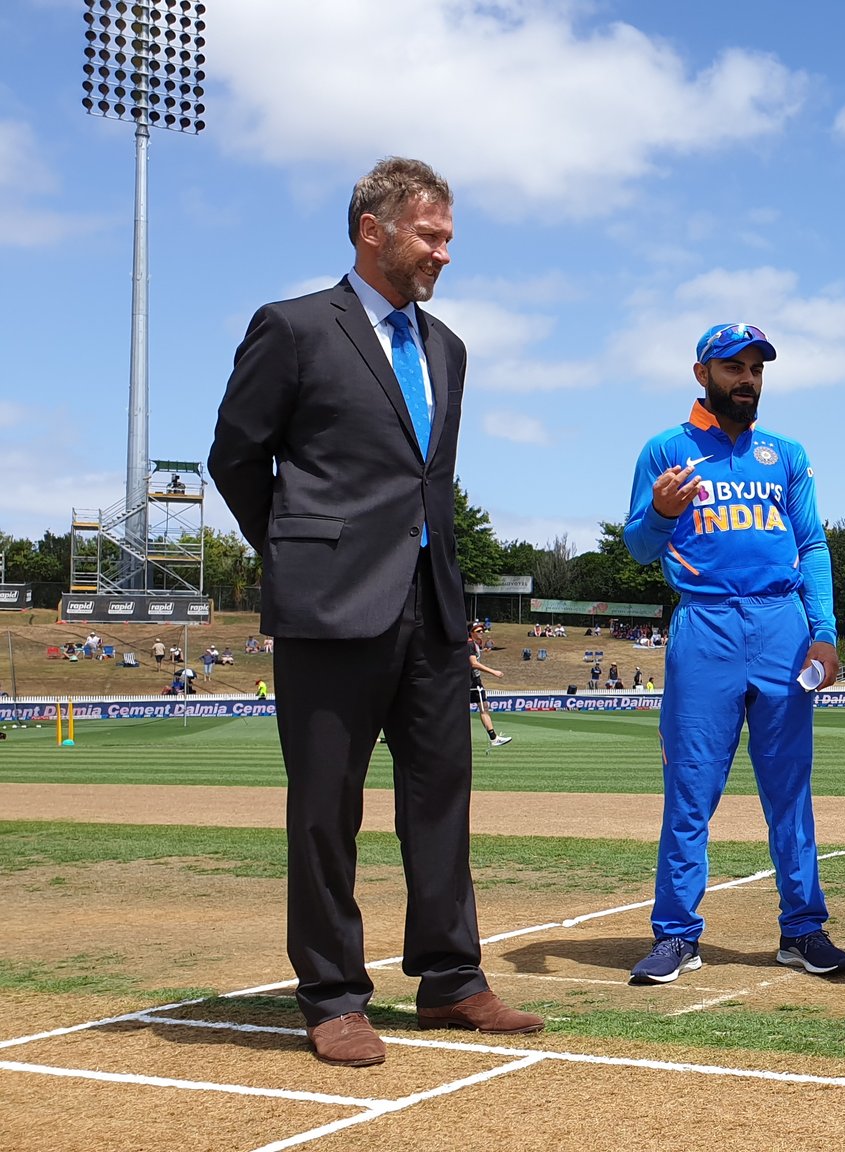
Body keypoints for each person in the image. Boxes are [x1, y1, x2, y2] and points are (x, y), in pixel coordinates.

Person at [206, 156, 542, 1069]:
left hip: (431, 612)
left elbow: (429, 482)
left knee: (441, 805)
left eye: (447, 238)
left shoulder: (448, 349)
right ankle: (332, 994)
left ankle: (450, 979)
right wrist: (299, 551)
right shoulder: (294, 327)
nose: (444, 253)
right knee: (326, 809)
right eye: (431, 236)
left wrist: (453, 602)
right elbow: (235, 457)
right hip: (329, 609)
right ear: (373, 229)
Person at [621, 322, 845, 986]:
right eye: (733, 367)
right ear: (703, 375)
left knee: (790, 792)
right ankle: (676, 936)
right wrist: (661, 512)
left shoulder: (787, 455)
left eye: (756, 368)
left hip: (782, 626)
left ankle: (803, 929)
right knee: (690, 791)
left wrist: (825, 631)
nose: (747, 379)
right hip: (706, 625)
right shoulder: (666, 449)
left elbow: (812, 547)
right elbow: (638, 545)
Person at [468, 624, 512, 748]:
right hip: (470, 682)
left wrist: (483, 651)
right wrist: (494, 672)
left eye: (482, 630)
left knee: (484, 707)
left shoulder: (475, 644)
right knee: (481, 708)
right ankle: (493, 738)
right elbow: (473, 663)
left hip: (475, 681)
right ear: (471, 632)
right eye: (478, 631)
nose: (482, 632)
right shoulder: (470, 644)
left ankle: (493, 737)